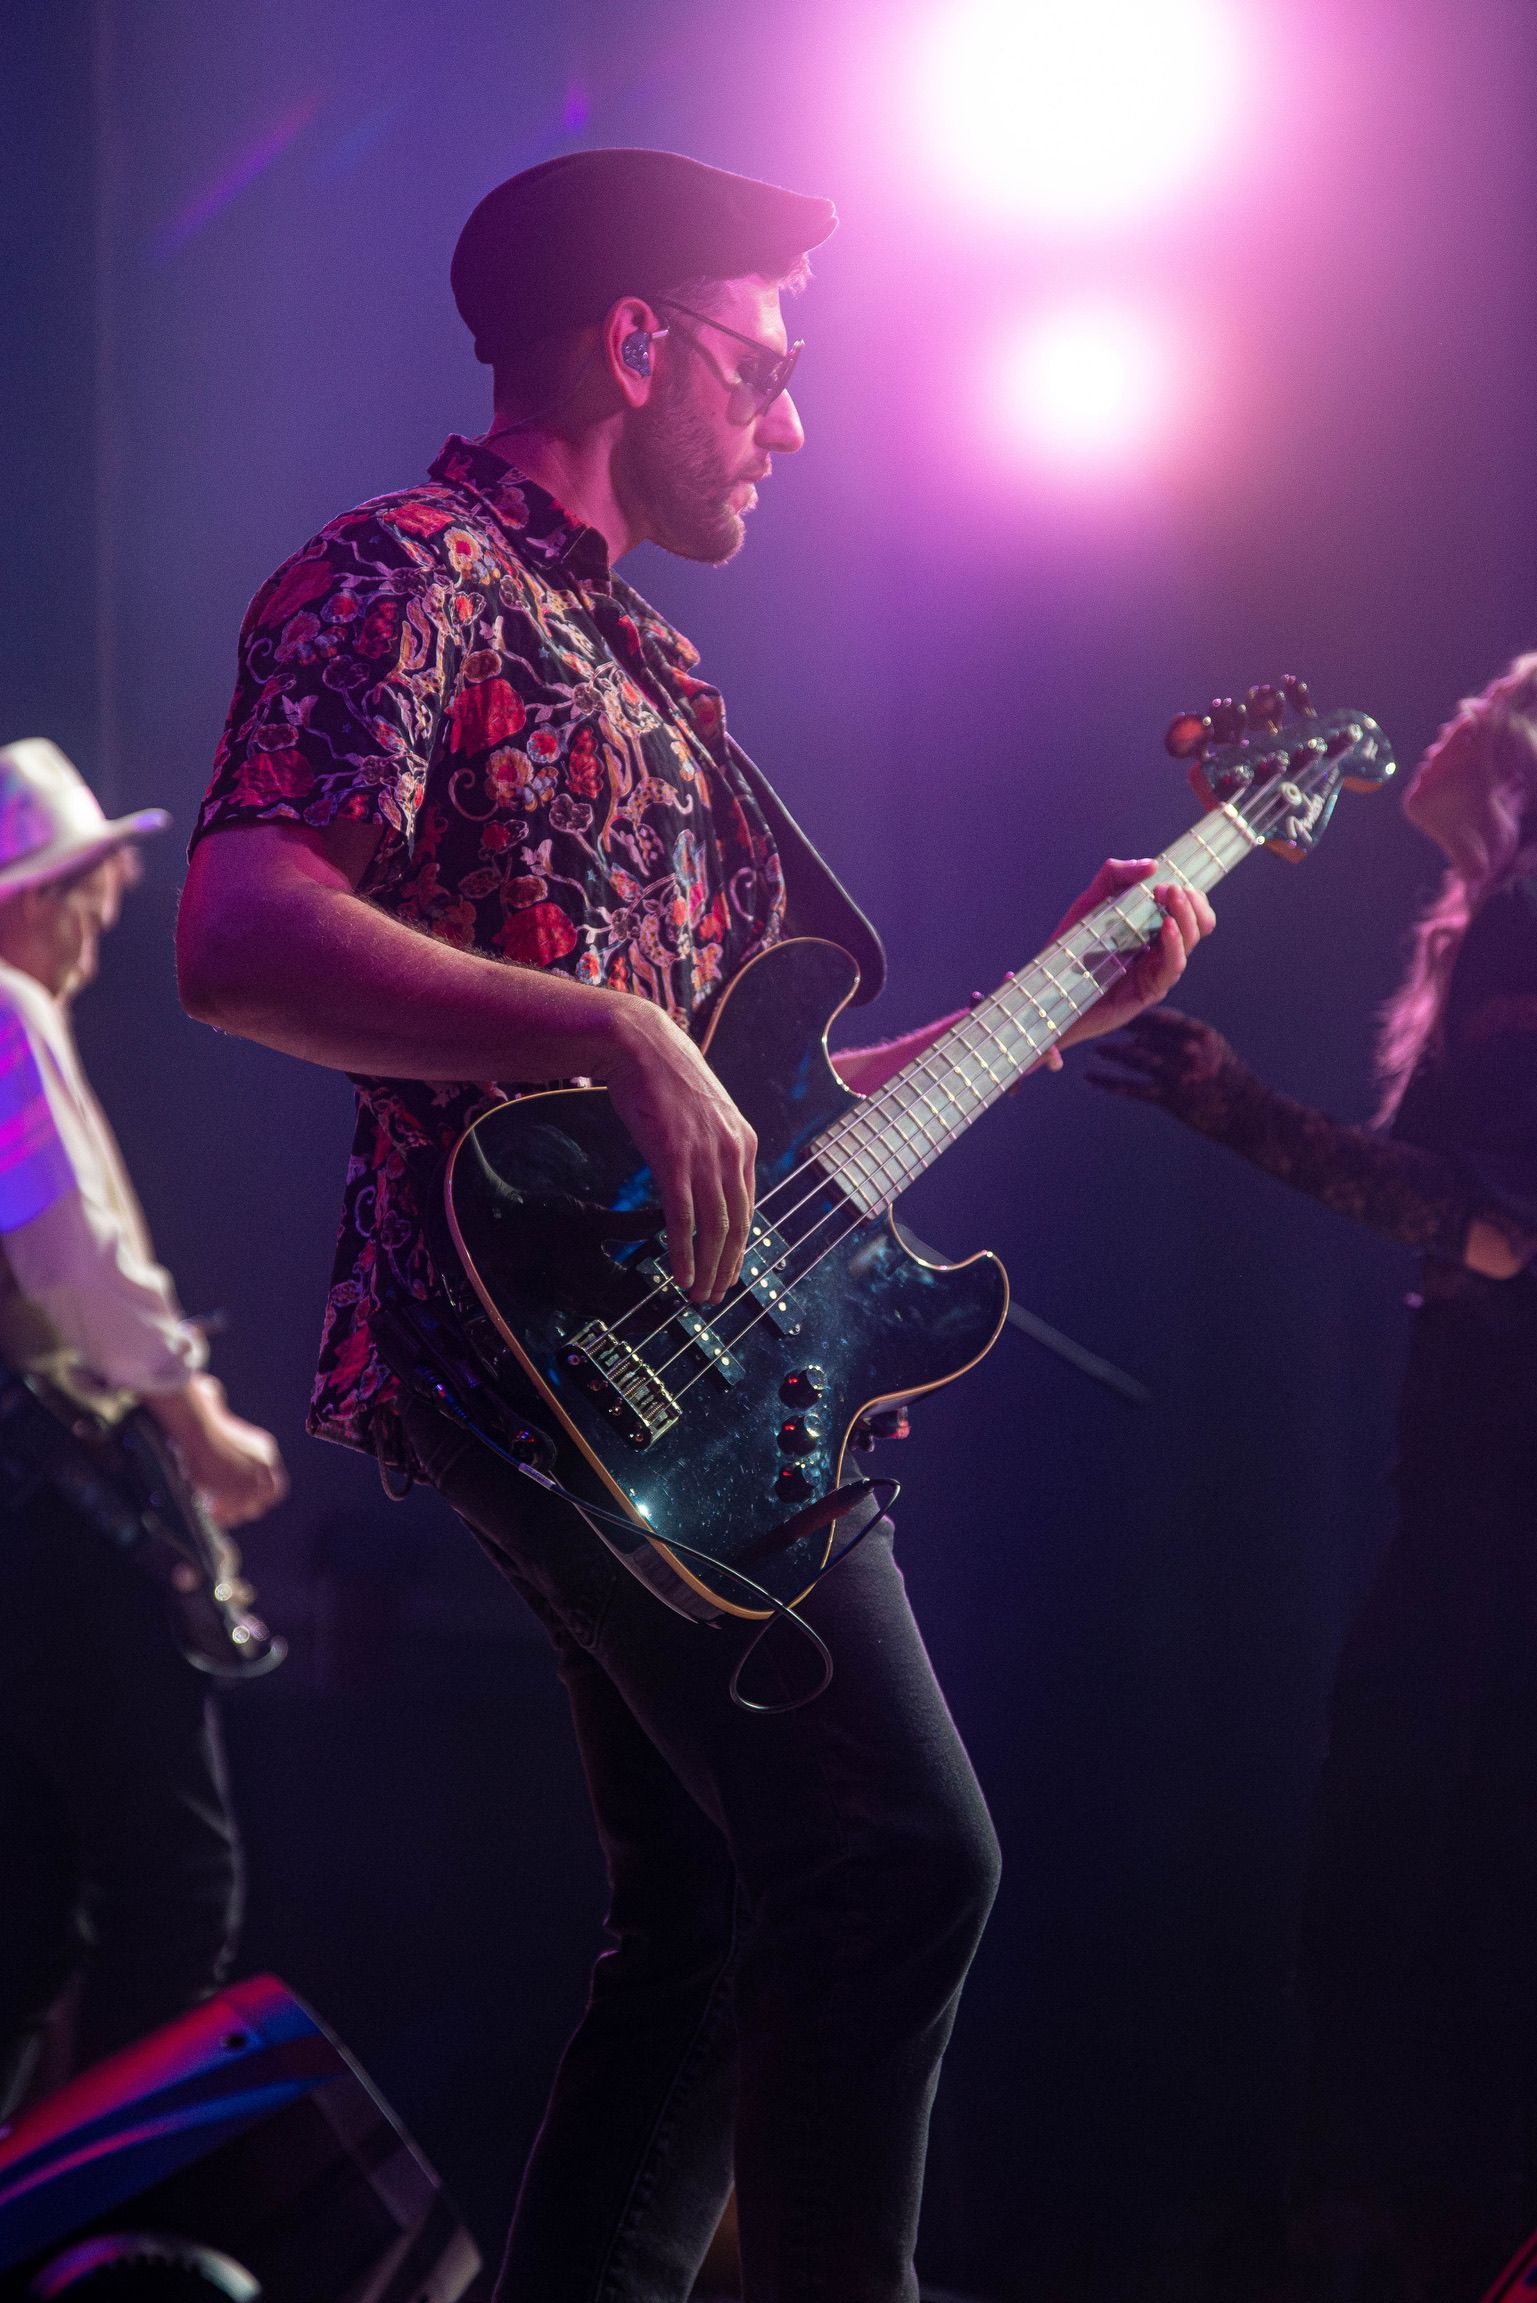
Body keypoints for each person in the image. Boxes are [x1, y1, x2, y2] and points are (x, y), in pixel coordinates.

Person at [176, 148, 1215, 2303]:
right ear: (636, 343)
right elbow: (239, 934)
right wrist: (607, 1027)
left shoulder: (654, 672)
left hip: (705, 1368)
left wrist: (1044, 1001)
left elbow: (769, 1120)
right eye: (766, 365)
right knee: (897, 1856)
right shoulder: (401, 577)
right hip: (533, 1350)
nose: (795, 421)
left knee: (718, 1918)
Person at [1088, 656, 1537, 2302]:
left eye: (1505, 698)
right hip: (1471, 1467)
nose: (1462, 712)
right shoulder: (1490, 917)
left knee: (1427, 1870)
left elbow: (1497, 1220)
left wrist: (1240, 1114)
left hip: (1507, 1493)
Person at [0, 737, 287, 2118]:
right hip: (49, 1511)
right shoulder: (1, 1003)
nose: (93, 943)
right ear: (28, 894)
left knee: (29, 1901)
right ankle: (93, 2232)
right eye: (89, 908)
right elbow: (69, 1250)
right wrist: (198, 1416)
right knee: (176, 1886)